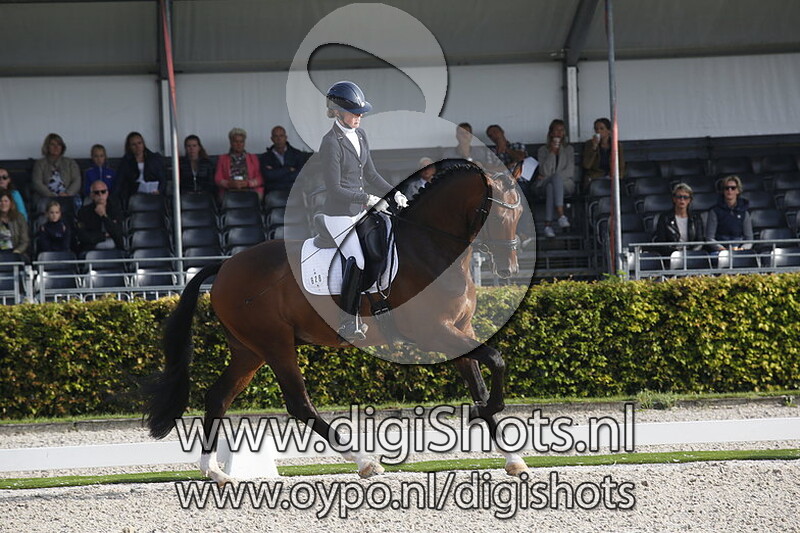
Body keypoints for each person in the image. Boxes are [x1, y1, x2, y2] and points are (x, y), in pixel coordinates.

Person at [318, 80, 408, 342]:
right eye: (354, 112)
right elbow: (334, 188)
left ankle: (380, 307)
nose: (359, 116)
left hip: (359, 211)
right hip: (338, 214)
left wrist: (394, 192)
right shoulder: (330, 143)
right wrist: (367, 198)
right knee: (356, 259)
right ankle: (347, 321)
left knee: (383, 246)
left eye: (361, 112)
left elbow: (371, 174)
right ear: (337, 112)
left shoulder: (360, 135)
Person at [535, 119, 575, 238]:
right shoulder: (543, 150)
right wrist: (552, 153)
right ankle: (561, 215)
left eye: (562, 130)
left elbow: (570, 171)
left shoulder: (569, 149)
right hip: (543, 184)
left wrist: (553, 177)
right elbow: (544, 171)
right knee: (550, 185)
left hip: (565, 184)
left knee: (551, 186)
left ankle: (548, 226)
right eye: (556, 130)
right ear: (551, 133)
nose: (559, 133)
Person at [31, 133, 81, 214]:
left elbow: (77, 180)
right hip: (46, 196)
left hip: (68, 195)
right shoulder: (40, 163)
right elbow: (37, 182)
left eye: (59, 145)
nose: (56, 147)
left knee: (75, 205)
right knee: (43, 206)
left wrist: (67, 193)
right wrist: (50, 195)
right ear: (47, 147)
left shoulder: (70, 162)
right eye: (52, 144)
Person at [115, 132, 167, 204]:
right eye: (134, 144)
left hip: (153, 191)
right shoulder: (126, 161)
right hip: (134, 193)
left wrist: (159, 190)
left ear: (143, 144)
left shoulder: (154, 158)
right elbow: (120, 181)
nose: (137, 147)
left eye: (139, 143)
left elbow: (162, 178)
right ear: (129, 147)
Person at [654, 183, 705, 256]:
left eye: (685, 197)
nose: (682, 200)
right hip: (672, 255)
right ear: (674, 199)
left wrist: (690, 254)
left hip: (692, 255)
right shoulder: (664, 218)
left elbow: (700, 241)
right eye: (679, 197)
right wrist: (676, 253)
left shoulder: (696, 218)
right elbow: (661, 242)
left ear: (689, 200)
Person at [706, 175, 753, 252]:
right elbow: (710, 238)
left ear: (738, 191)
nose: (729, 190)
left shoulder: (744, 212)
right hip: (720, 250)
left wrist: (742, 249)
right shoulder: (714, 211)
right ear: (723, 191)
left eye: (733, 188)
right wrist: (722, 249)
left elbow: (749, 239)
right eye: (726, 188)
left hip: (739, 249)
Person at [75, 180, 124, 253]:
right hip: (91, 248)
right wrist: (104, 235)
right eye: (96, 192)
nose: (100, 195)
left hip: (115, 248)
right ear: (91, 195)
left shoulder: (115, 209)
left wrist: (104, 216)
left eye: (103, 192)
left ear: (107, 193)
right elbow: (83, 236)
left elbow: (118, 233)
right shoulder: (83, 212)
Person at [260, 125, 309, 194]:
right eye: (276, 136)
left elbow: (300, 175)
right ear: (272, 139)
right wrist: (288, 169)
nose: (279, 139)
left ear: (286, 137)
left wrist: (277, 174)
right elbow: (268, 176)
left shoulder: (297, 154)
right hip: (274, 190)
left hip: (294, 189)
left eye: (281, 136)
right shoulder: (265, 157)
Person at [581, 117, 627, 191]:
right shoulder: (589, 144)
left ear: (608, 131)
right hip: (596, 176)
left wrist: (618, 177)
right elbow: (587, 165)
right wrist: (594, 147)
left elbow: (621, 165)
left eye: (601, 129)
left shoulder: (616, 145)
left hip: (612, 176)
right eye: (596, 129)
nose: (598, 131)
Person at [0, 190, 30, 258]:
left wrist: (16, 252)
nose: (3, 203)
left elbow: (24, 241)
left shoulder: (19, 217)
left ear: (11, 203)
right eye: (0, 201)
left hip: (16, 252)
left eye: (6, 201)